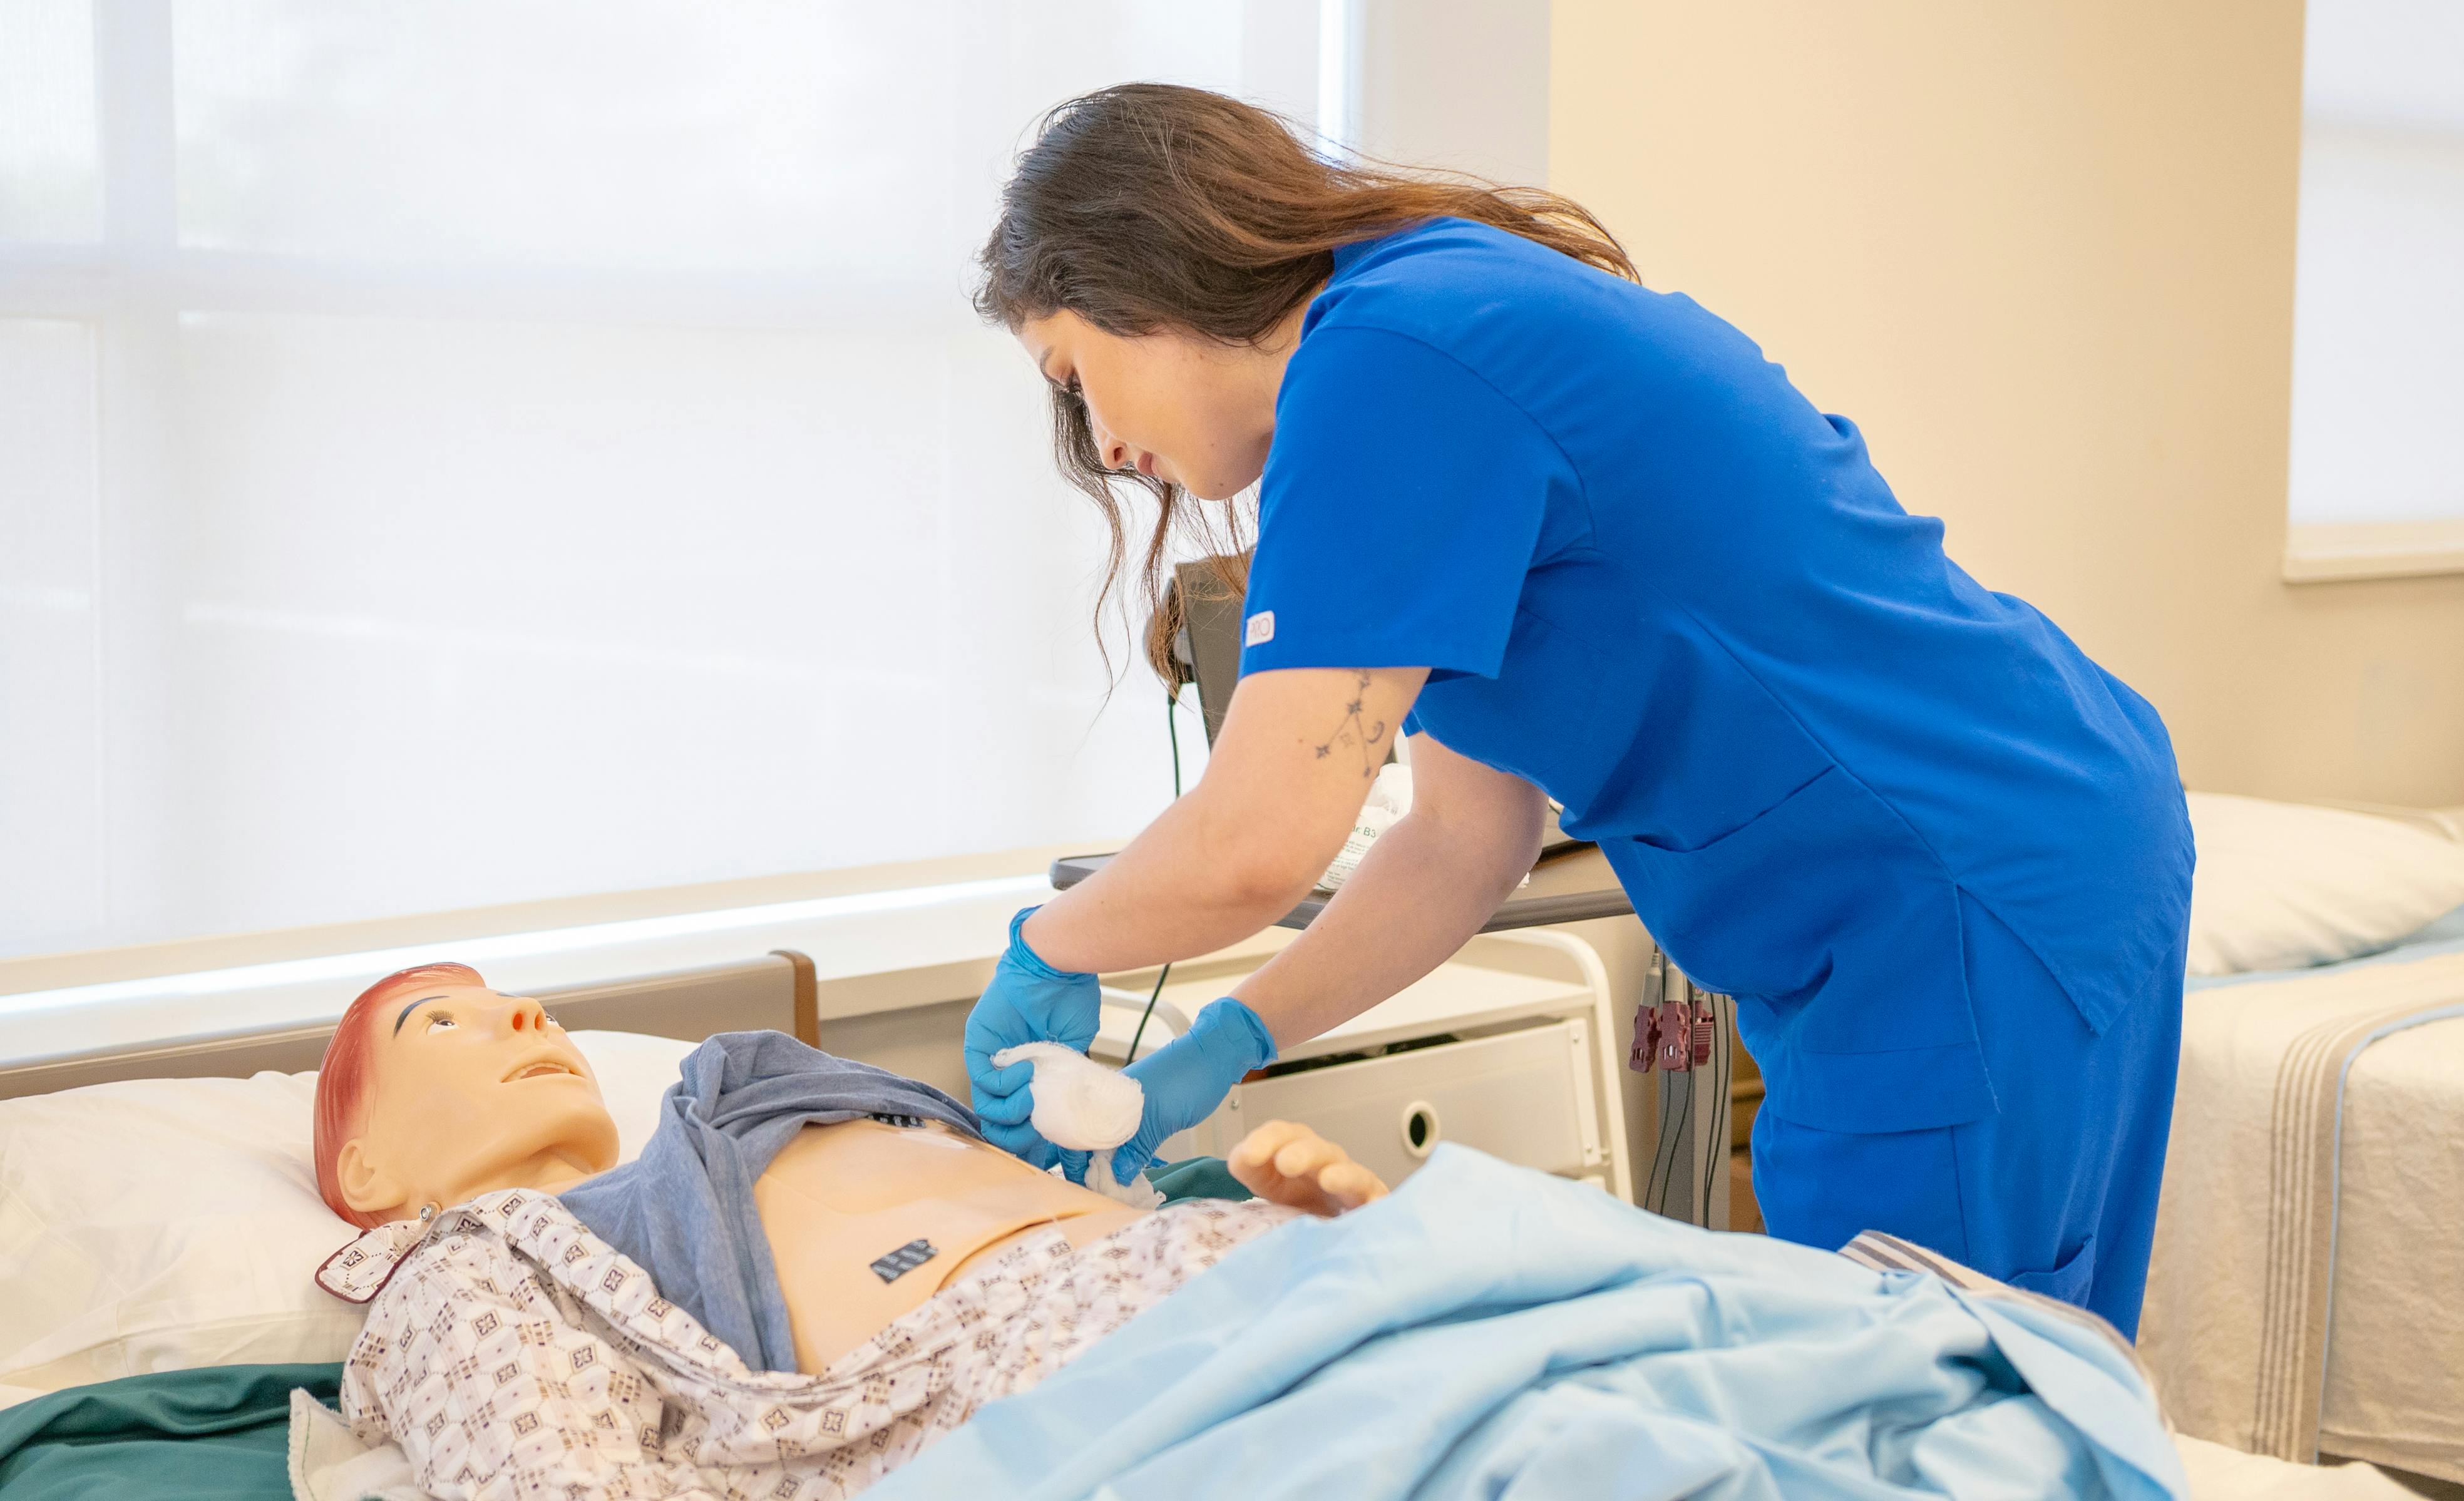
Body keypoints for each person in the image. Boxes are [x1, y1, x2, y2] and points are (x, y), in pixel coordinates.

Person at [963, 83, 2194, 1336]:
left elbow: (1258, 837)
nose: (1101, 444)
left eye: (1075, 377)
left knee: (1911, 1415)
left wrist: (1048, 943)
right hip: (2028, 830)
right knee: (2027, 1389)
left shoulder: (1385, 364)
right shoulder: (1420, 321)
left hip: (1952, 895)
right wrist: (1224, 1043)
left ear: (1144, 278)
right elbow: (1458, 843)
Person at [309, 963, 1382, 1499]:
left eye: (517, 1003)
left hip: (1216, 1276)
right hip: (1067, 1376)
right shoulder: (467, 1275)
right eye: (442, 1023)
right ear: (368, 1170)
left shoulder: (723, 1128)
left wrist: (1263, 1236)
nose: (526, 1019)